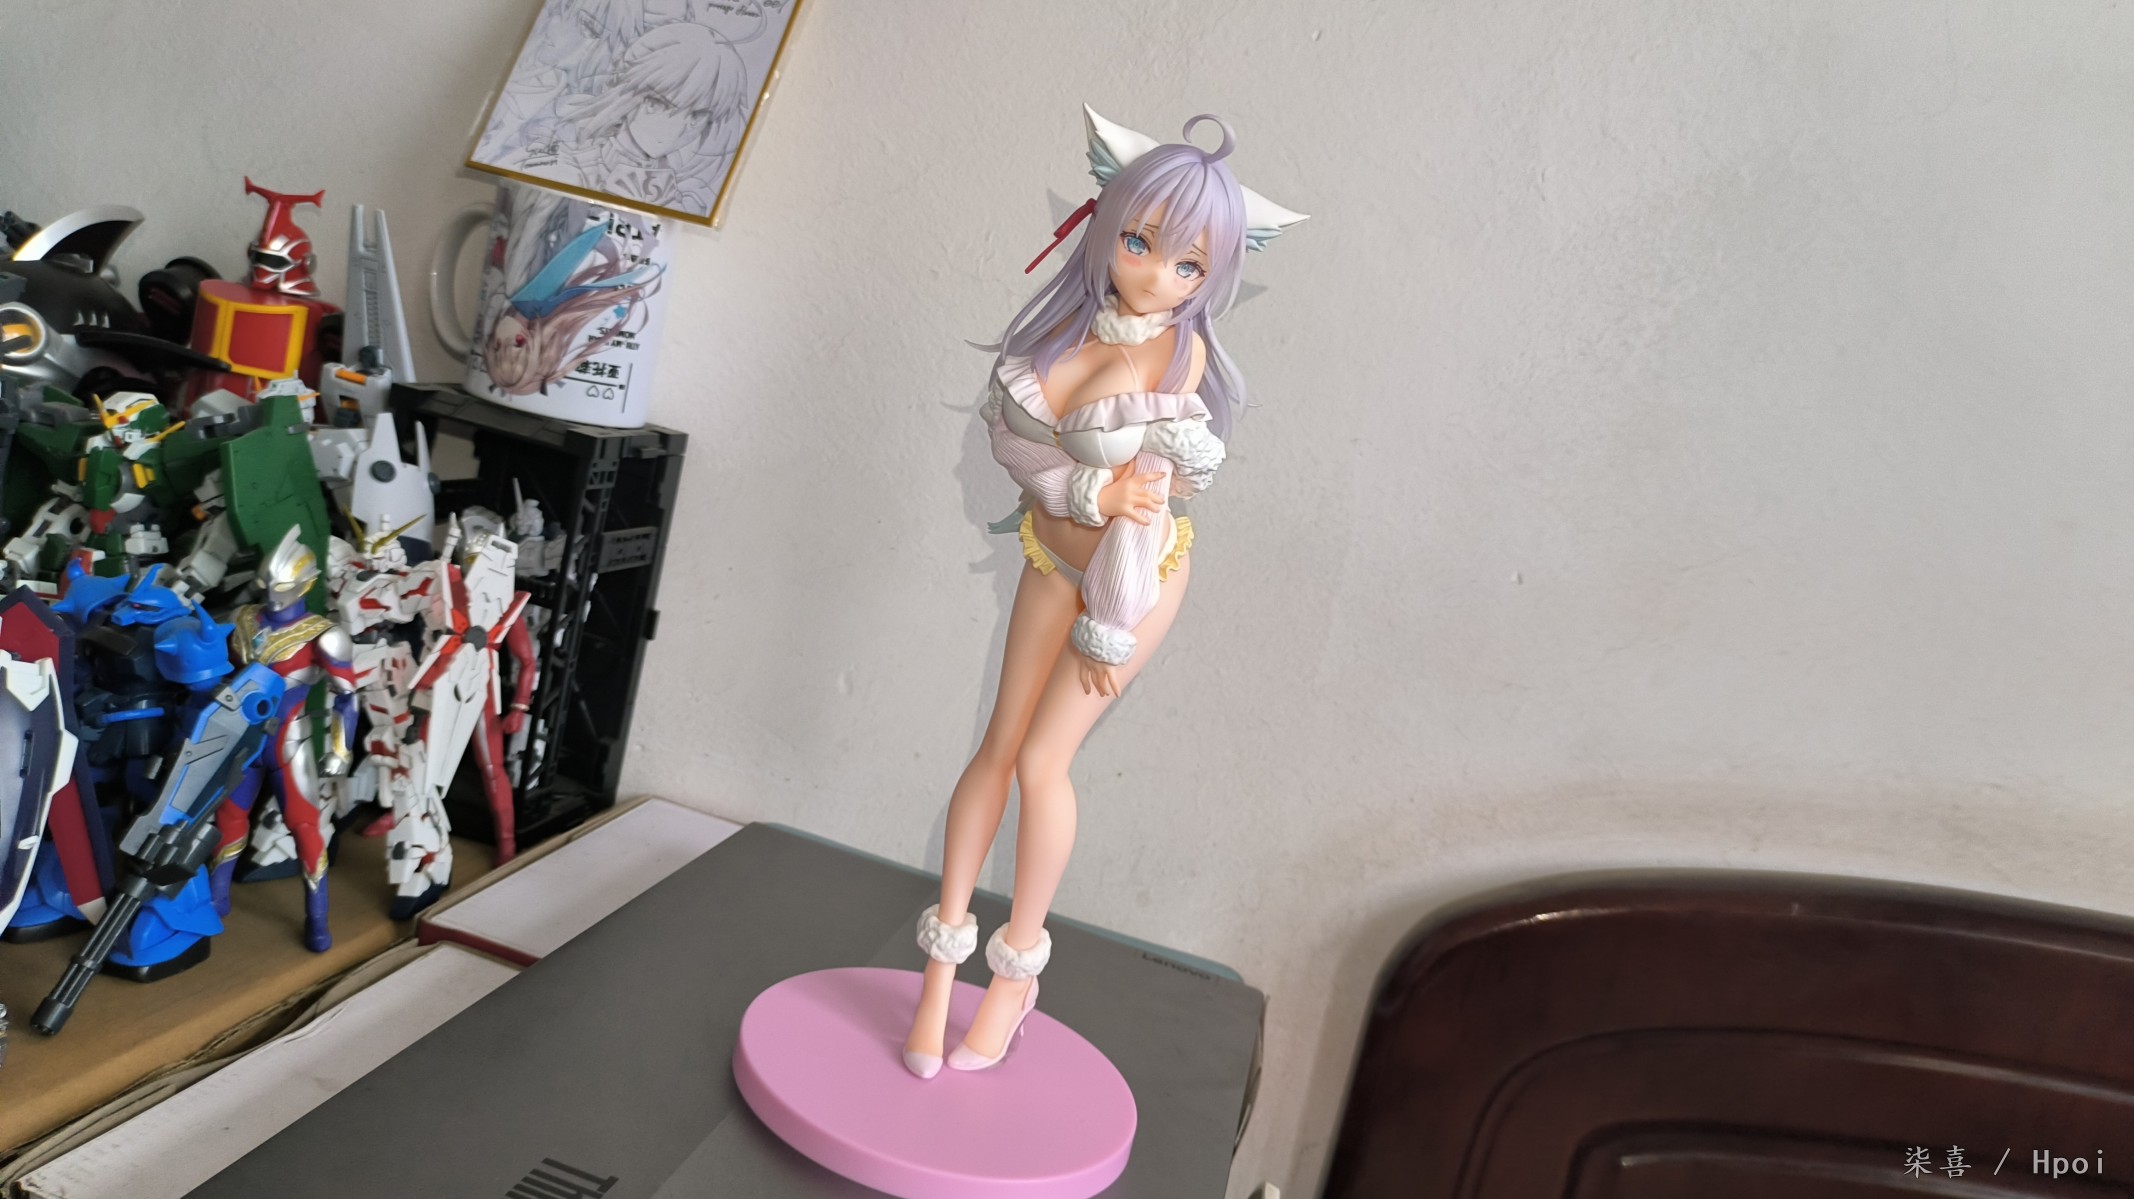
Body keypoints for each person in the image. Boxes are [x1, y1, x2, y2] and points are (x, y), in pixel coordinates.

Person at [902, 107, 1305, 1077]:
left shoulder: (1180, 354)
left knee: (1044, 761)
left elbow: (1146, 468)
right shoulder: (1059, 333)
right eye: (1139, 243)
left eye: (1188, 264)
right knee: (996, 746)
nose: (1158, 275)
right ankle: (937, 975)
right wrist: (1082, 488)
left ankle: (1013, 976)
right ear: (1106, 225)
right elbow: (1018, 450)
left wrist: (1105, 492)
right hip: (1051, 557)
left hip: (1131, 579)